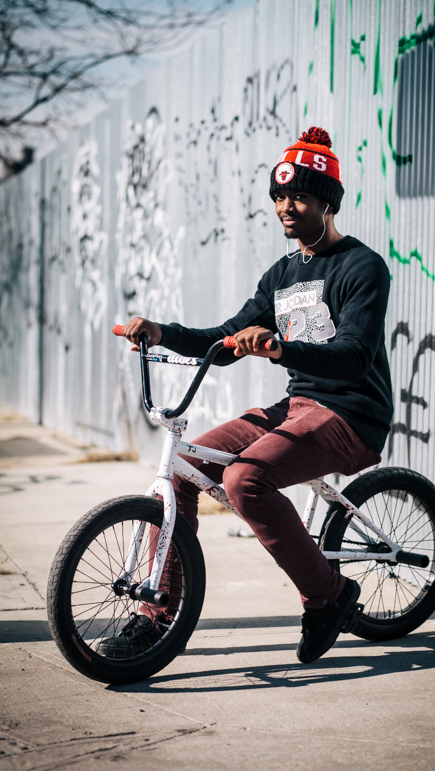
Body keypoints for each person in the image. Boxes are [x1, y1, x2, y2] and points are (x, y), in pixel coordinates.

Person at [101, 127, 393, 664]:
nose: (286, 207)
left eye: (298, 196)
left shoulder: (362, 266)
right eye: (279, 197)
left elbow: (355, 356)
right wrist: (163, 332)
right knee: (185, 467)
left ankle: (328, 594)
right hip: (297, 406)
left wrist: (280, 350)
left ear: (327, 202)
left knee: (244, 478)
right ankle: (158, 616)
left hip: (351, 413)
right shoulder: (282, 274)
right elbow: (228, 337)